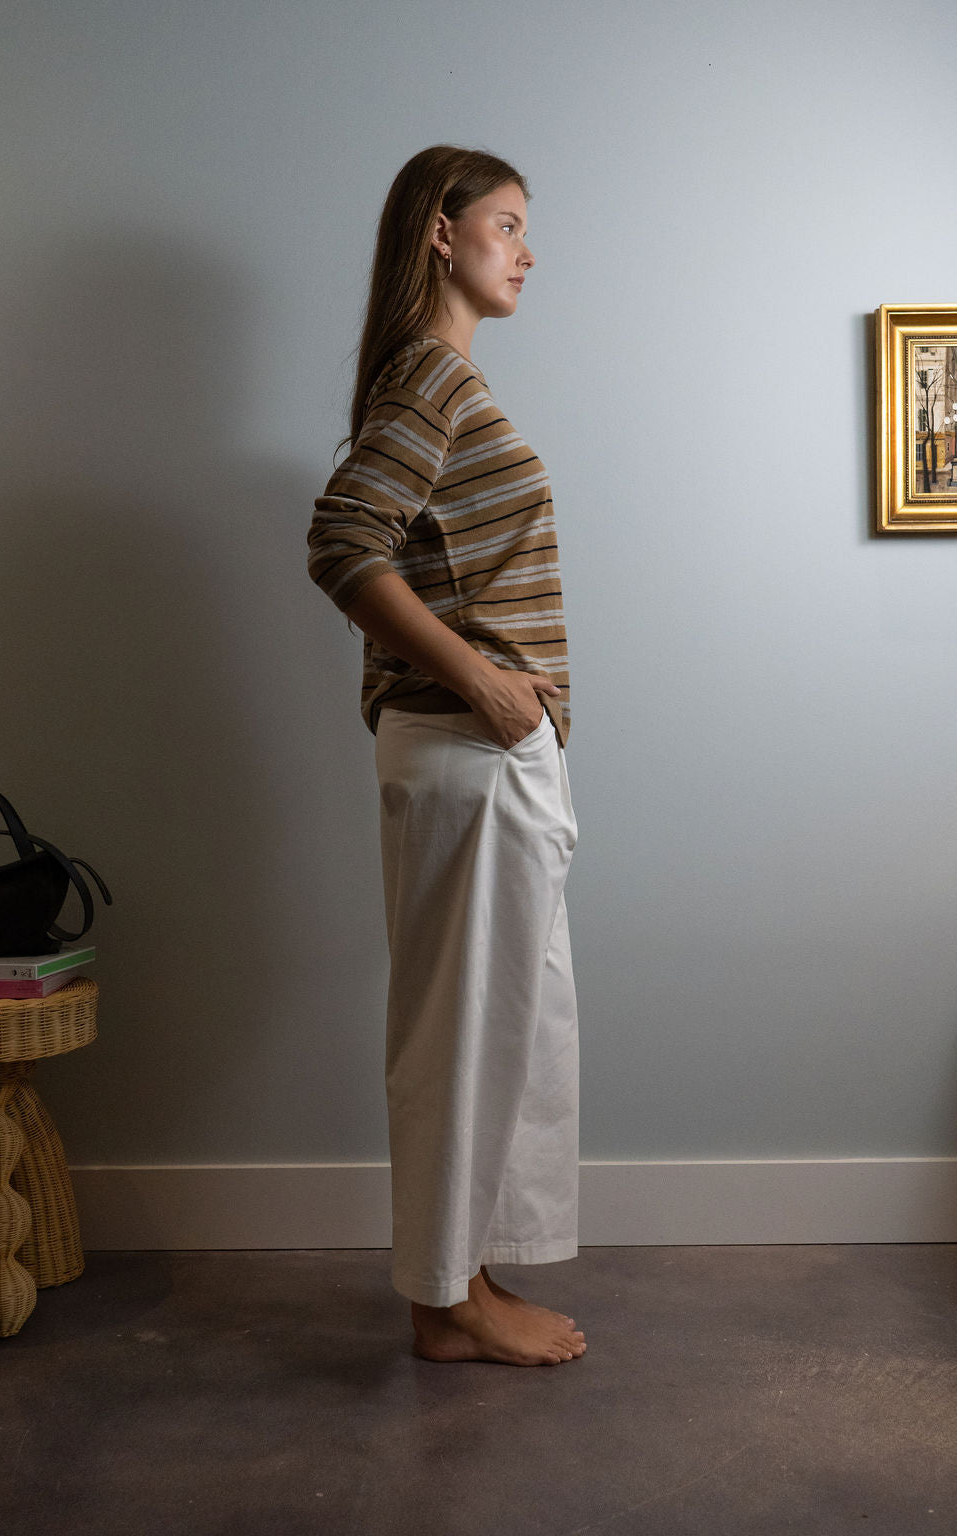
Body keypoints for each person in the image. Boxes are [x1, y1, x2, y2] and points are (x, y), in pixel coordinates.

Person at [308, 146, 584, 1367]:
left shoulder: (437, 378)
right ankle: (445, 1303)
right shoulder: (429, 374)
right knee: (465, 1036)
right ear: (440, 229)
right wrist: (480, 679)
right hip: (467, 749)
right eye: (506, 224)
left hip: (483, 756)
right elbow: (341, 543)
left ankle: (461, 1280)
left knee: (500, 1028)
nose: (525, 251)